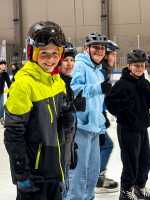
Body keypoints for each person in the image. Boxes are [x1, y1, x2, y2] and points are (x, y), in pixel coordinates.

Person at [4, 21, 72, 200]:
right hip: (35, 176)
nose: (50, 60)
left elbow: (58, 126)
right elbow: (13, 133)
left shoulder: (57, 81)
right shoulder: (23, 84)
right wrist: (21, 172)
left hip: (55, 171)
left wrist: (70, 150)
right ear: (32, 53)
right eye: (44, 54)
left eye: (54, 54)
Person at [105, 49, 150, 200]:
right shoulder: (122, 84)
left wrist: (145, 88)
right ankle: (126, 191)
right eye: (136, 65)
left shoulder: (144, 82)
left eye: (142, 65)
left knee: (145, 161)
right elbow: (110, 104)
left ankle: (140, 188)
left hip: (142, 127)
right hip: (127, 129)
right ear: (129, 66)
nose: (139, 68)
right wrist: (125, 106)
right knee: (131, 162)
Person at [66, 32, 111, 200]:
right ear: (87, 49)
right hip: (80, 127)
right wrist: (98, 88)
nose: (100, 51)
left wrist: (101, 121)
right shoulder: (80, 65)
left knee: (92, 173)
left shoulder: (99, 71)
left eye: (102, 48)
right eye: (96, 47)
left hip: (94, 128)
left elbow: (97, 103)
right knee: (78, 174)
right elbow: (75, 89)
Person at [60, 42, 86, 198]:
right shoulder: (58, 82)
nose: (69, 64)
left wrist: (72, 148)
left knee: (67, 180)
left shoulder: (72, 81)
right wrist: (71, 107)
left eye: (72, 60)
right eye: (65, 60)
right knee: (62, 183)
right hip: (57, 146)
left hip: (68, 142)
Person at [96, 40, 119, 193]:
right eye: (113, 54)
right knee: (106, 145)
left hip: (98, 114)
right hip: (95, 116)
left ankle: (96, 176)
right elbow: (97, 95)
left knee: (100, 146)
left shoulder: (105, 70)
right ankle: (98, 179)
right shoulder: (102, 71)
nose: (115, 57)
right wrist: (101, 114)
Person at [0, 60, 11, 124]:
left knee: (1, 106)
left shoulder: (5, 74)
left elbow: (9, 83)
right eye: (2, 65)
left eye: (4, 65)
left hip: (0, 92)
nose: (3, 66)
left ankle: (1, 118)